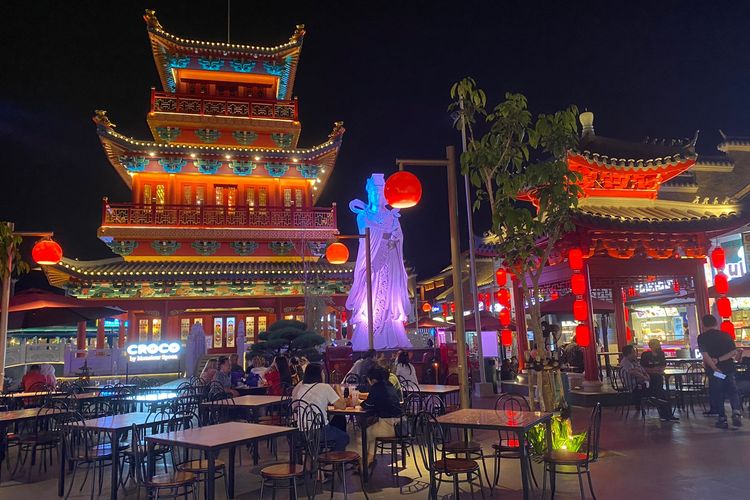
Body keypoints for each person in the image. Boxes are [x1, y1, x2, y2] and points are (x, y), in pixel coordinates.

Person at [291, 363, 350, 451]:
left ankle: (318, 456)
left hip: (302, 431)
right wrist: (337, 390)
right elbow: (342, 406)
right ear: (320, 374)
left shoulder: (301, 388)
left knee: (339, 419)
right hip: (319, 431)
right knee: (344, 437)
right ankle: (333, 458)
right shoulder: (325, 387)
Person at [698, 314, 743, 428]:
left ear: (703, 325)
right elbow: (734, 352)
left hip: (717, 372)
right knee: (732, 390)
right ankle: (736, 411)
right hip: (728, 369)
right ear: (716, 323)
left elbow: (705, 355)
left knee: (718, 393)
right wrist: (720, 359)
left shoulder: (702, 337)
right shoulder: (726, 335)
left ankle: (722, 418)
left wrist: (714, 366)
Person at [620, 345, 678, 422]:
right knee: (660, 392)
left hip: (642, 385)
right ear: (628, 354)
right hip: (636, 388)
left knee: (659, 388)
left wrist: (646, 376)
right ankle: (666, 414)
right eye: (634, 352)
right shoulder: (625, 362)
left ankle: (666, 414)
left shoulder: (634, 361)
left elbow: (642, 370)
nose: (635, 354)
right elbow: (633, 372)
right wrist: (644, 377)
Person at [360, 366, 402, 468]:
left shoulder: (376, 387)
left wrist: (360, 403)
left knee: (362, 434)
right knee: (371, 432)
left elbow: (367, 405)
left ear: (373, 379)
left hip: (389, 426)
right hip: (400, 425)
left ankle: (363, 464)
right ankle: (369, 459)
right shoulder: (389, 385)